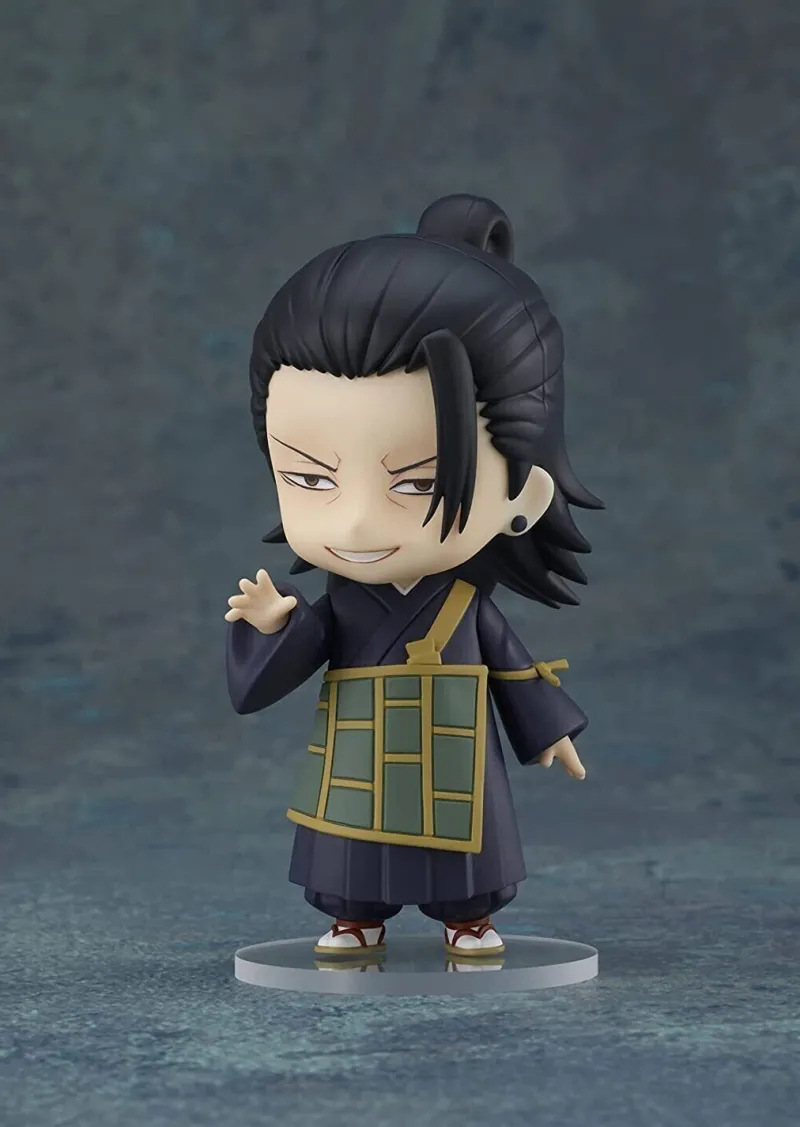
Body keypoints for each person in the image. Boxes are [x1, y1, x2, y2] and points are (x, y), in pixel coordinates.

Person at [225, 193, 603, 959]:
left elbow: (513, 669)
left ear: (524, 494)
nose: (357, 523)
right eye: (311, 478)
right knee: (350, 850)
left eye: (418, 482)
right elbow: (271, 677)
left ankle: (470, 916)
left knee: (465, 846)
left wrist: (550, 728)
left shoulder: (465, 605)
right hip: (360, 750)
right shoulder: (340, 608)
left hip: (453, 747)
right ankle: (353, 915)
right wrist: (276, 627)